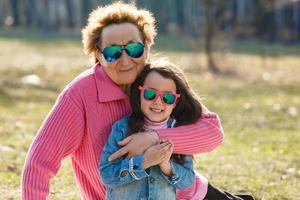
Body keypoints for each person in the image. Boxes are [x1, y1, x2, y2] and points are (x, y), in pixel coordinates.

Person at [21, 2, 226, 199]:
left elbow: (212, 133)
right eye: (113, 52)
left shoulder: (159, 83)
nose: (125, 60)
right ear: (98, 56)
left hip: (190, 194)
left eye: (134, 49)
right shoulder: (79, 95)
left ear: (146, 47)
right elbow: (40, 163)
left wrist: (153, 137)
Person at [100, 61, 200, 199]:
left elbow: (188, 181)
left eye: (167, 97)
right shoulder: (122, 129)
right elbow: (107, 175)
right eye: (150, 94)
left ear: (175, 102)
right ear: (139, 93)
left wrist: (167, 166)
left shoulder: (179, 133)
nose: (158, 102)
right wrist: (144, 161)